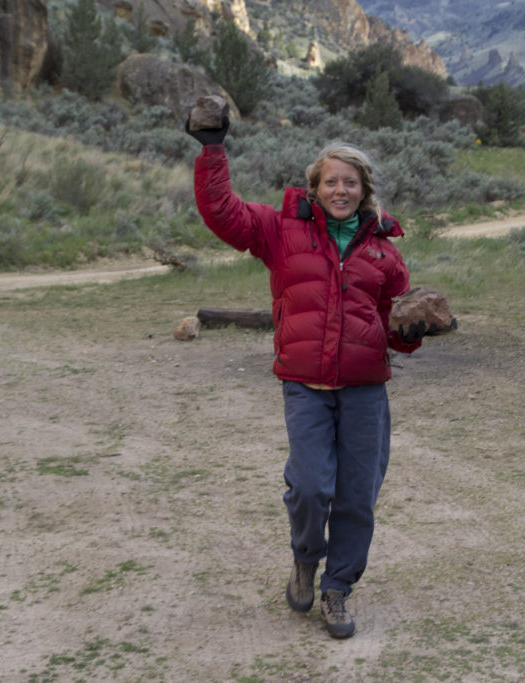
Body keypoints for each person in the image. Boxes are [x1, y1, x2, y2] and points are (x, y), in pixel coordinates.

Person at [186, 115, 428, 639]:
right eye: (330, 181)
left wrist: (413, 331)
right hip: (306, 388)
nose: (340, 190)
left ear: (364, 190)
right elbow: (223, 213)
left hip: (365, 391)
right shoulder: (281, 231)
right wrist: (211, 148)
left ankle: (337, 589)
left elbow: (395, 326)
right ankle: (304, 558)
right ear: (314, 187)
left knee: (357, 495)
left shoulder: (385, 250)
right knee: (312, 488)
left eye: (350, 182)